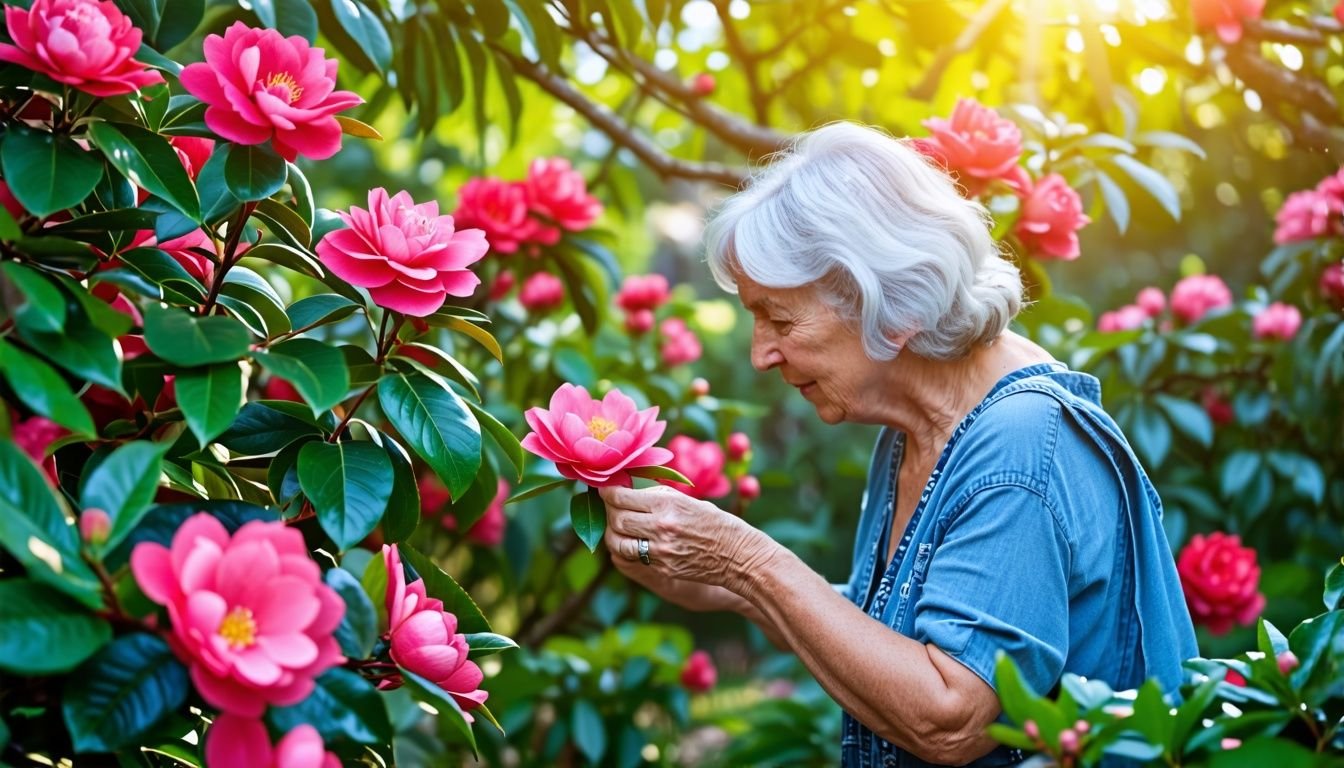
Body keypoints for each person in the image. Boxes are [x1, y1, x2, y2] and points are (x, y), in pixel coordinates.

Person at [599, 122, 1198, 767]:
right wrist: (726, 584)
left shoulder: (1020, 447)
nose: (761, 354)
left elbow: (949, 715)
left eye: (779, 316)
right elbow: (900, 635)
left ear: (890, 300)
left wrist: (745, 560)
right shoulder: (917, 425)